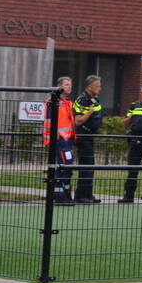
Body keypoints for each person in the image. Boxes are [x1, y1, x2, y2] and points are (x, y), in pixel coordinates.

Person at [42, 77, 76, 205]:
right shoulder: (52, 102)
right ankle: (59, 196)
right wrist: (52, 136)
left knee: (67, 167)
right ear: (59, 86)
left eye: (70, 84)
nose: (69, 87)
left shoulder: (68, 102)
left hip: (67, 139)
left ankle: (66, 193)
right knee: (62, 167)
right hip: (59, 139)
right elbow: (49, 120)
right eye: (66, 84)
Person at [72, 75, 103, 204]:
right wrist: (89, 112)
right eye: (98, 86)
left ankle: (88, 194)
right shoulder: (82, 100)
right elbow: (78, 121)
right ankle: (81, 195)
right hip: (83, 135)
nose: (100, 89)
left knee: (90, 166)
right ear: (90, 87)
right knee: (85, 166)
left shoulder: (94, 99)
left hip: (91, 136)